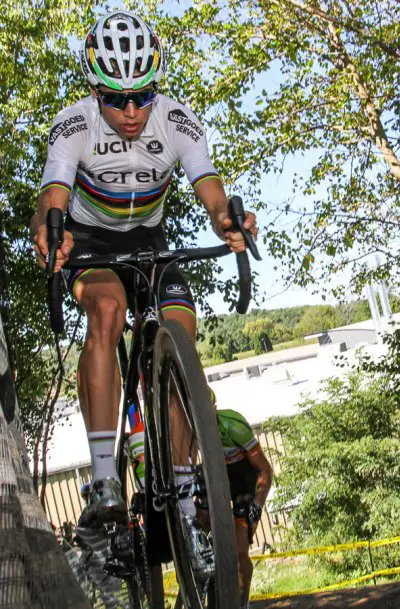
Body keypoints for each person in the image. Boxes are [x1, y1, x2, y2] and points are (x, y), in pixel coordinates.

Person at [29, 11, 257, 533]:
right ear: (95, 90)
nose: (131, 111)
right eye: (115, 98)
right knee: (106, 310)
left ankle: (181, 484)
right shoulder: (73, 123)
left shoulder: (175, 120)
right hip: (90, 242)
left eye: (142, 95)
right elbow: (52, 194)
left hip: (148, 242)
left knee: (180, 337)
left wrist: (227, 218)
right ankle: (106, 475)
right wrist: (49, 229)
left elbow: (209, 185)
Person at [211, 388, 274, 607]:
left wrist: (257, 504)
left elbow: (266, 470)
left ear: (214, 409)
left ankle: (242, 602)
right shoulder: (187, 429)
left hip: (245, 480)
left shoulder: (232, 425)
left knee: (239, 553)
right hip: (219, 476)